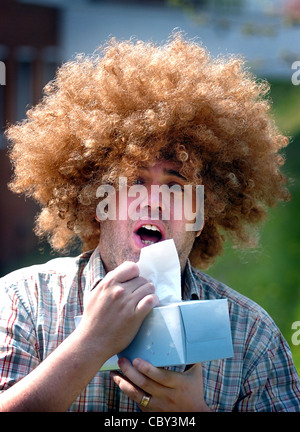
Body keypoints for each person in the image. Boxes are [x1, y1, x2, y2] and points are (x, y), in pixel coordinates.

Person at [0, 33, 299, 412]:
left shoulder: (253, 335)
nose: (154, 200)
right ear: (99, 200)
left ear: (202, 212)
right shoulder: (22, 301)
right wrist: (91, 343)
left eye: (175, 185)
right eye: (135, 181)